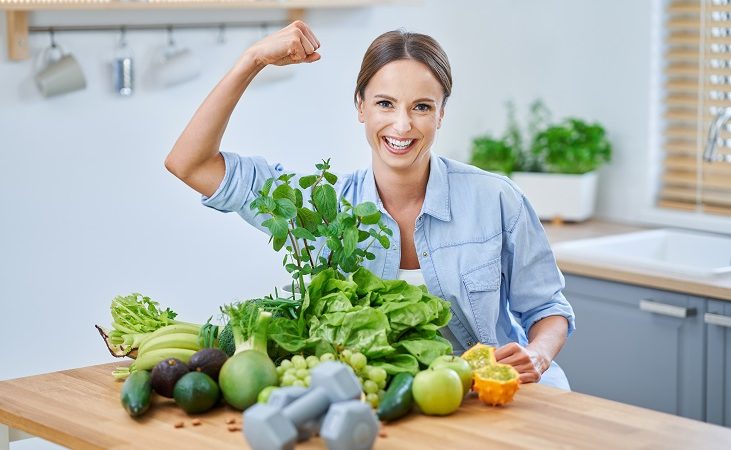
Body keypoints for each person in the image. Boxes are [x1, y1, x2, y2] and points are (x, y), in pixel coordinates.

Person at [165, 21, 575, 389]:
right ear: (360, 107)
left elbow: (548, 308)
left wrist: (537, 354)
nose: (402, 125)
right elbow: (189, 163)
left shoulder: (496, 199)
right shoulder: (316, 211)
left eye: (421, 107)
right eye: (385, 103)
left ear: (441, 114)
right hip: (392, 411)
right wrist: (251, 60)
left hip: (499, 398)